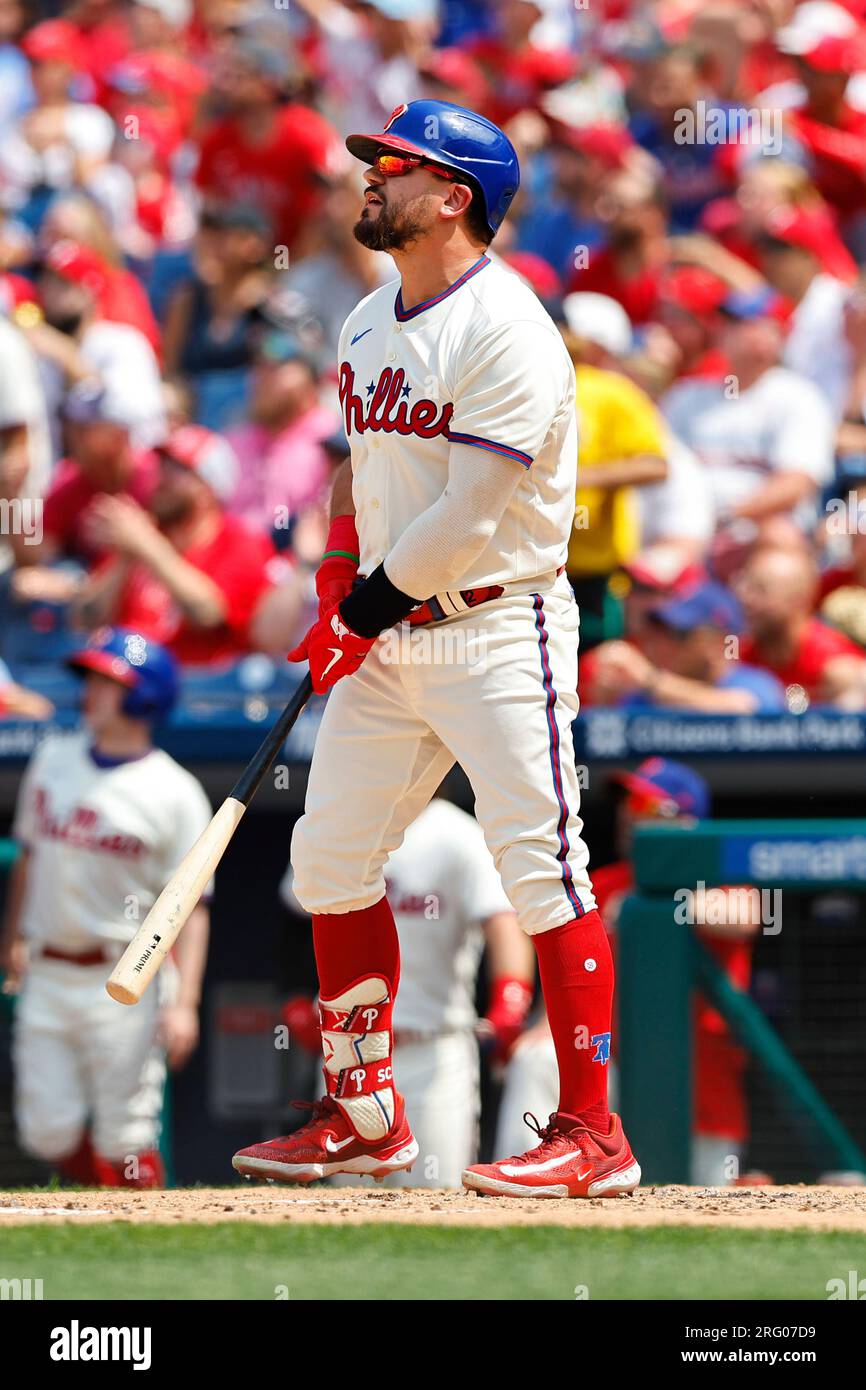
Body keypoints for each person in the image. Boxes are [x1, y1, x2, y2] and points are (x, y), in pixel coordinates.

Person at [232, 99, 641, 1199]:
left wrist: (355, 609)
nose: (368, 178)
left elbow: (466, 514)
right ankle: (366, 1114)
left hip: (496, 623)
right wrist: (332, 576)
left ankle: (594, 1132)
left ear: (452, 197)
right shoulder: (369, 319)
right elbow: (356, 475)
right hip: (391, 627)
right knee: (327, 861)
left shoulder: (508, 327)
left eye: (393, 166)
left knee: (544, 869)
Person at [0, 627, 212, 1187]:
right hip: (47, 968)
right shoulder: (52, 758)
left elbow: (191, 907)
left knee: (125, 1134)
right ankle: (92, 1206)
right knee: (46, 1131)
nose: (89, 692)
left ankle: (147, 1240)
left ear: (144, 696)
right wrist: (13, 938)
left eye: (107, 681)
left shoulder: (175, 790)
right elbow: (27, 858)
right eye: (89, 679)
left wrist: (184, 1001)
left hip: (124, 977)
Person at [496, 759, 761, 1187]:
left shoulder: (719, 882)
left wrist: (655, 912)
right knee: (538, 1058)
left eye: (643, 803)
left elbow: (743, 916)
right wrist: (544, 1023)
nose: (627, 815)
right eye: (626, 804)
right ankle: (529, 1176)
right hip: (615, 1074)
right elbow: (564, 966)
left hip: (698, 1093)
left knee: (702, 1207)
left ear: (683, 819)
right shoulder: (605, 883)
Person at [279, 797, 531, 1189]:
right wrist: (295, 998)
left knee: (441, 1194)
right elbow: (295, 914)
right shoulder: (341, 824)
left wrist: (509, 1005)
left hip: (434, 1050)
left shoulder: (458, 835)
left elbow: (503, 924)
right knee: (347, 1206)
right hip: (350, 1052)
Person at [72, 423, 286, 665]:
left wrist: (146, 545)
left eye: (178, 469)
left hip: (201, 691)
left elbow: (207, 614)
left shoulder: (240, 541)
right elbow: (85, 619)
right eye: (163, 466)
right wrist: (125, 558)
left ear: (209, 488)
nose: (163, 477)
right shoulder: (140, 534)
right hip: (125, 676)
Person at [590, 579, 788, 714]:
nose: (665, 644)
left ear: (719, 642)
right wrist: (606, 701)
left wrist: (649, 680)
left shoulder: (756, 684)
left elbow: (743, 709)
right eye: (662, 631)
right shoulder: (648, 696)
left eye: (679, 634)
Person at [735, 545, 866, 708]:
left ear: (798, 599)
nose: (745, 599)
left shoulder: (838, 668)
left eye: (760, 590)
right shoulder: (738, 657)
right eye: (746, 587)